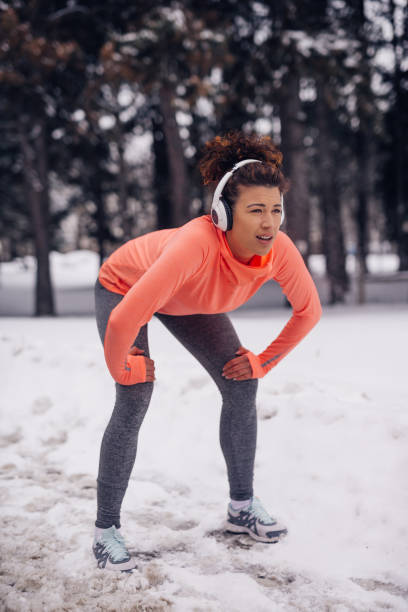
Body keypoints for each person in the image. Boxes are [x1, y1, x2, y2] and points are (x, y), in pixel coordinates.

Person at [92, 130, 322, 572]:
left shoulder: (280, 251)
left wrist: (263, 360)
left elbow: (308, 312)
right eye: (255, 210)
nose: (269, 222)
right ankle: (105, 531)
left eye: (276, 209)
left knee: (243, 382)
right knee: (136, 395)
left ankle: (241, 508)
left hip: (188, 301)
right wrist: (122, 368)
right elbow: (124, 319)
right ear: (223, 213)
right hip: (125, 287)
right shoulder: (196, 243)